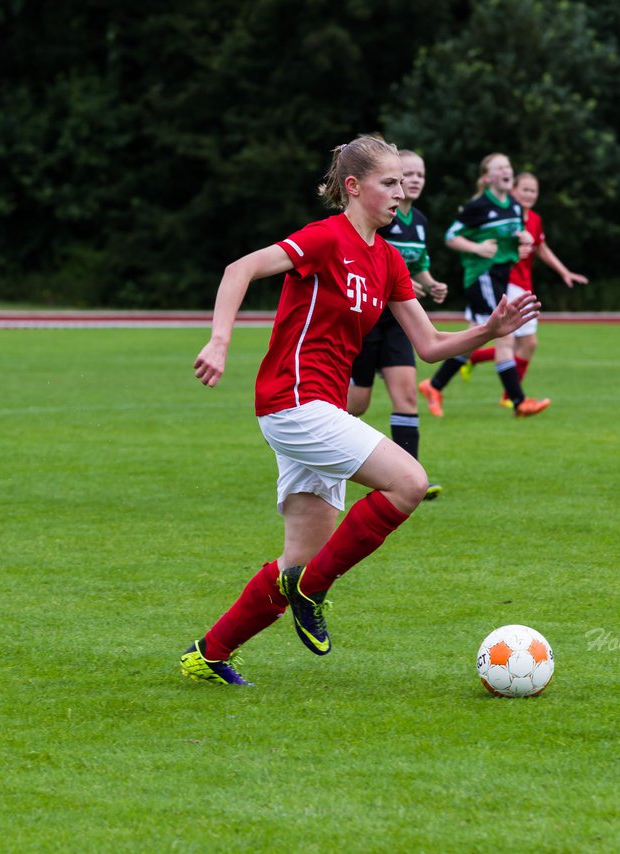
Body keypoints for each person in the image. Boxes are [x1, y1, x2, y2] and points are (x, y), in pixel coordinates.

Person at [181, 135, 539, 686]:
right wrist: (220, 340)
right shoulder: (326, 238)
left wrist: (489, 331)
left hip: (320, 409)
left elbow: (430, 345)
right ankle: (313, 591)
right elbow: (239, 269)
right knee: (409, 482)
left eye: (402, 182)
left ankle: (207, 654)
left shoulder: (389, 260)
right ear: (353, 187)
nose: (401, 193)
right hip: (293, 401)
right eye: (389, 183)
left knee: (300, 559)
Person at [347, 149, 449, 501]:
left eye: (421, 173)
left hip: (399, 321)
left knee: (406, 395)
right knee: (356, 405)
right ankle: (321, 450)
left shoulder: (418, 219)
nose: (416, 179)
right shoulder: (379, 212)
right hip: (368, 318)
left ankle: (412, 476)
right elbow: (370, 261)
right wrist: (398, 285)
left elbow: (416, 262)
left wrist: (430, 282)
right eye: (409, 174)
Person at [417, 153, 550, 419]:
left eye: (508, 166)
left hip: (500, 276)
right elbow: (451, 236)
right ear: (488, 177)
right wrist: (476, 247)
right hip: (482, 276)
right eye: (499, 167)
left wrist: (521, 239)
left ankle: (433, 385)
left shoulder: (512, 205)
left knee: (470, 342)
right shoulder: (477, 206)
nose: (505, 170)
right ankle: (518, 401)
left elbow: (510, 236)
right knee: (504, 336)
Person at [462, 171, 588, 405]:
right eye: (525, 190)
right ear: (513, 191)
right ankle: (513, 398)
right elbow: (488, 242)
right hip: (505, 282)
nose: (529, 195)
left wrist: (564, 272)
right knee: (512, 341)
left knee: (524, 343)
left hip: (523, 285)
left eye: (534, 191)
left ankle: (480, 368)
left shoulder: (535, 219)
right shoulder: (505, 216)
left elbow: (541, 247)